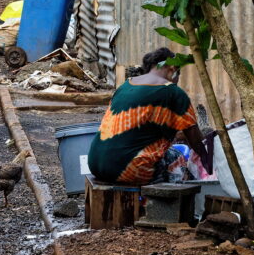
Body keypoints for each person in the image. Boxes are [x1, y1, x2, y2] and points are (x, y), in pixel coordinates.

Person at [88, 48, 211, 185]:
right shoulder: (173, 92)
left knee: (166, 151)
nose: (177, 79)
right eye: (178, 74)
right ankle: (169, 204)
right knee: (178, 159)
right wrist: (211, 165)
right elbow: (196, 141)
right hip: (128, 169)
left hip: (95, 164)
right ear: (172, 68)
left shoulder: (125, 86)